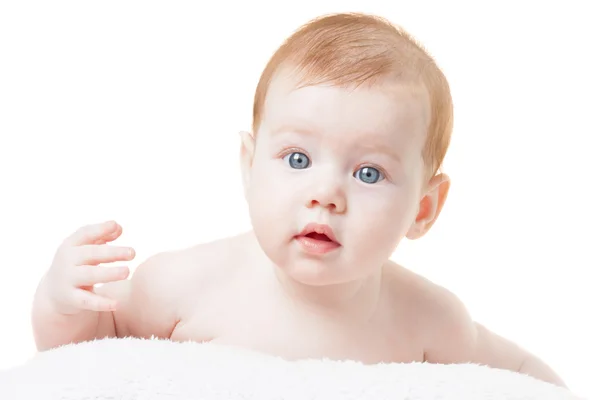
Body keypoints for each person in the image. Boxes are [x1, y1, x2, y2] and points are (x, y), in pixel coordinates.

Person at [31, 12, 566, 388]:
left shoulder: (429, 320)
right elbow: (85, 360)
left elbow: (518, 375)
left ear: (423, 210)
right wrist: (61, 303)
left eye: (368, 172)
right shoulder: (182, 287)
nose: (325, 195)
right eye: (297, 160)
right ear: (249, 165)